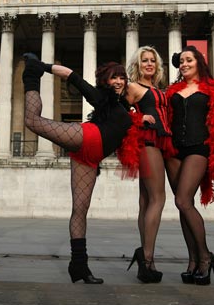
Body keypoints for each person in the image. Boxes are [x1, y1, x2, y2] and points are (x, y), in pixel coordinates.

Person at [22, 53, 144, 284]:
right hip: (87, 137)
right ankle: (30, 73)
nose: (118, 81)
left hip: (90, 157)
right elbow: (72, 76)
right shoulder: (102, 98)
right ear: (106, 81)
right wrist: (43, 66)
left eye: (122, 78)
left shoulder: (125, 107)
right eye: (114, 78)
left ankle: (79, 265)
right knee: (33, 121)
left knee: (80, 209)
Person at [164, 46, 214, 286]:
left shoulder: (212, 89)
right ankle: (192, 260)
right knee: (183, 206)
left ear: (198, 61)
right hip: (173, 150)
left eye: (188, 60)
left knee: (183, 200)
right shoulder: (173, 90)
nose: (184, 64)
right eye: (181, 61)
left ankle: (205, 256)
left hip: (199, 147)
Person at [125, 46, 174, 283]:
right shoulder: (133, 87)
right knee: (158, 198)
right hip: (147, 140)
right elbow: (117, 111)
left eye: (152, 60)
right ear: (137, 64)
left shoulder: (157, 88)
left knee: (146, 201)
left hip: (163, 140)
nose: (149, 64)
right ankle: (147, 259)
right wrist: (138, 117)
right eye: (144, 60)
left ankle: (144, 254)